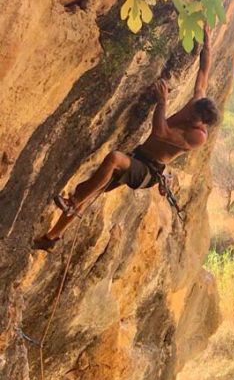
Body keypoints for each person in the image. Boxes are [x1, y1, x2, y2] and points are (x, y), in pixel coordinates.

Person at [33, 26, 219, 251]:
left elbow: (160, 133)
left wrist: (162, 102)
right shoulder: (197, 102)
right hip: (139, 156)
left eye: (194, 118)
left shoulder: (197, 136)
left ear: (202, 123)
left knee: (113, 159)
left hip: (148, 171)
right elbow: (203, 72)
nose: (188, 115)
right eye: (191, 111)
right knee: (93, 189)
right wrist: (208, 41)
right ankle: (52, 237)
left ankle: (73, 202)